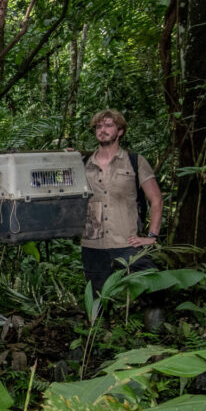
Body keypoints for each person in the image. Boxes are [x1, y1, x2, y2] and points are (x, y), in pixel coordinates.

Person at [81, 109, 163, 303]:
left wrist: (151, 236)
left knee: (155, 291)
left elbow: (156, 200)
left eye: (108, 125)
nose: (102, 130)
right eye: (98, 126)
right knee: (97, 300)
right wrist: (66, 159)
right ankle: (97, 333)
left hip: (127, 242)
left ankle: (153, 330)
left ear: (120, 131)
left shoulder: (135, 162)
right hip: (93, 243)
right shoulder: (83, 164)